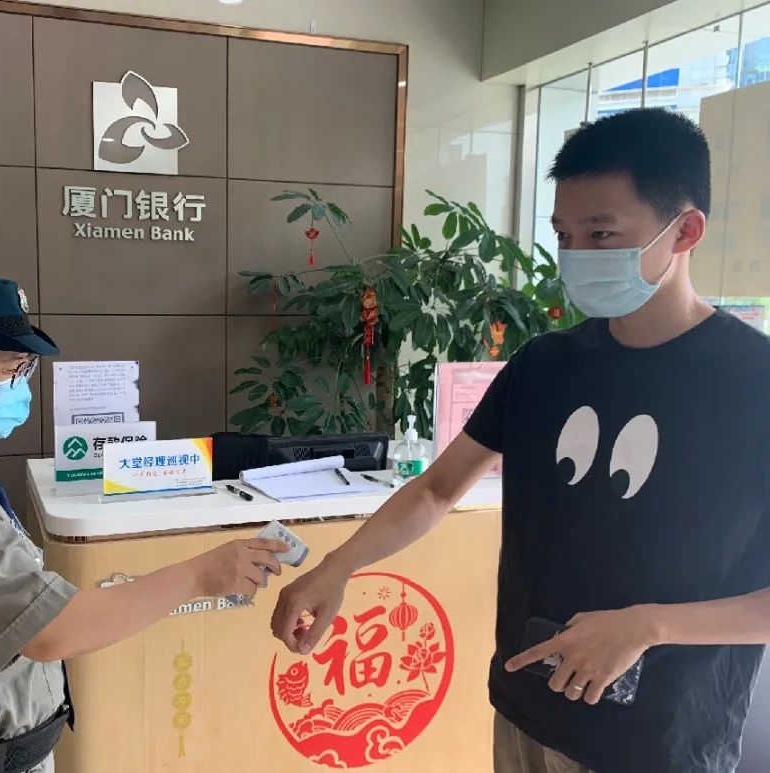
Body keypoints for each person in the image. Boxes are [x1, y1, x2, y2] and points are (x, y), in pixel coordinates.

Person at [271, 108, 770, 773]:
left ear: (685, 230)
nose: (576, 256)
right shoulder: (544, 365)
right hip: (526, 712)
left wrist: (649, 625)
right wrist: (339, 565)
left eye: (602, 234)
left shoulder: (752, 382)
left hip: (661, 742)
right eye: (564, 235)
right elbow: (437, 489)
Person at [0, 274, 287, 773]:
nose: (21, 385)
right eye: (10, 368)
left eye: (26, 369)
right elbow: (49, 631)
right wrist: (198, 576)